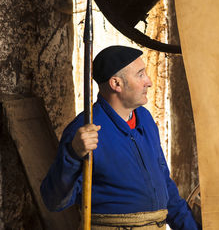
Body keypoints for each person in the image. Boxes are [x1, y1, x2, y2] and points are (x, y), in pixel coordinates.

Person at [40, 45, 200, 230]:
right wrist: (73, 155)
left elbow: (164, 184)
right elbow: (53, 201)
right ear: (116, 84)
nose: (149, 82)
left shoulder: (145, 120)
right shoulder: (84, 131)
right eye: (140, 75)